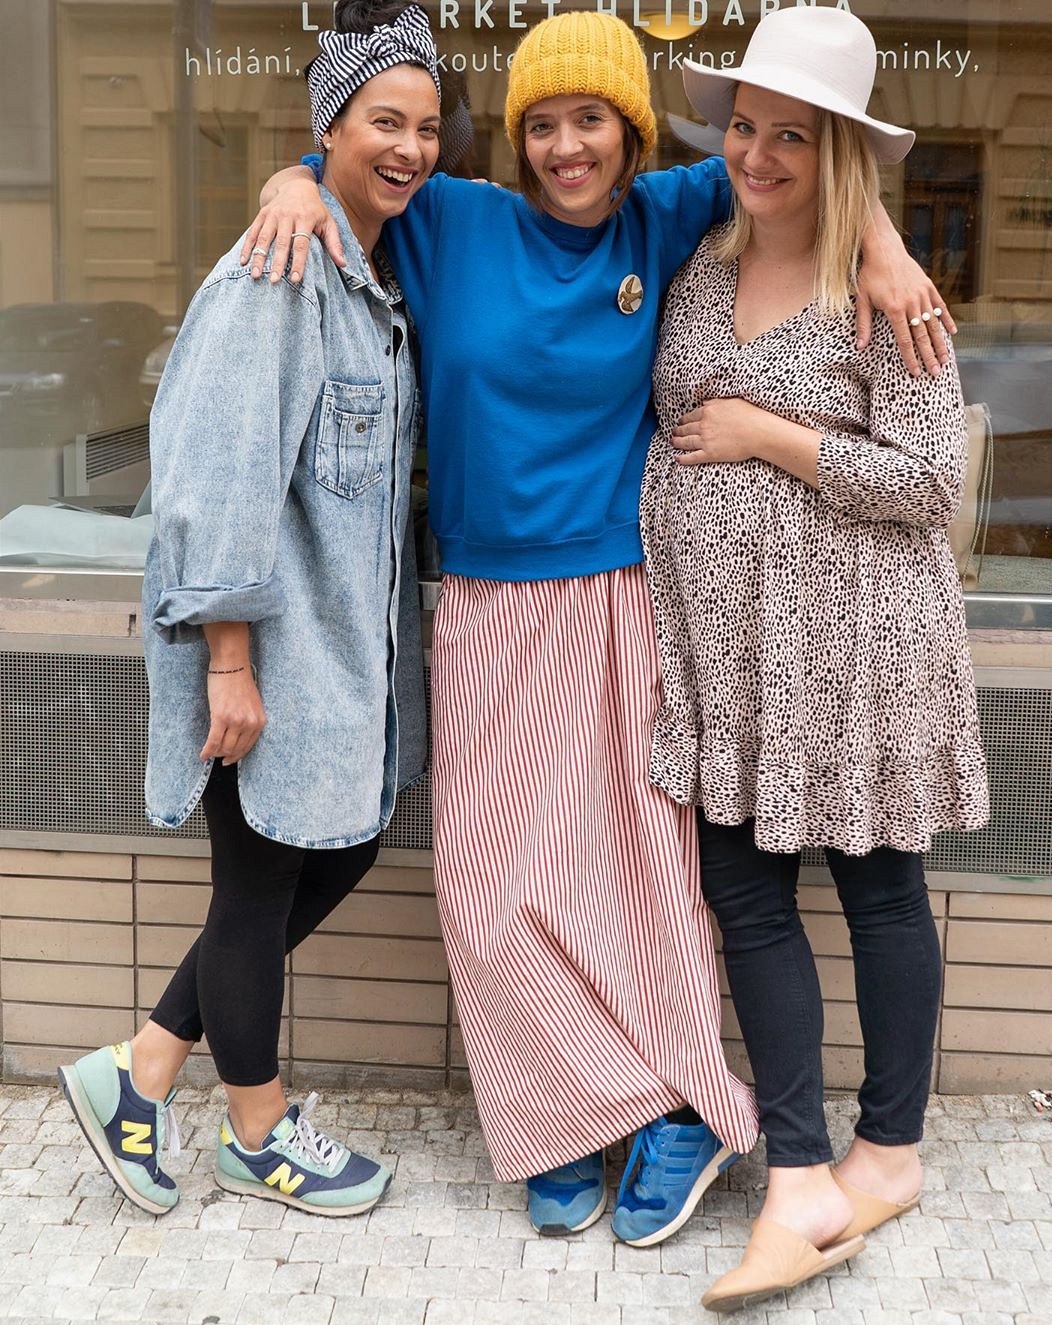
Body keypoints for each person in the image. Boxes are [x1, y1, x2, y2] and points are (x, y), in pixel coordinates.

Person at [245, 7, 953, 1246]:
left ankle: (682, 1107)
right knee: (489, 885)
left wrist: (885, 247)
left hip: (629, 595)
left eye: (591, 120)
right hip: (484, 600)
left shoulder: (664, 215)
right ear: (514, 137)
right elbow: (356, 165)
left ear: (629, 135)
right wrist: (292, 181)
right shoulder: (452, 219)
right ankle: (561, 1116)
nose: (566, 146)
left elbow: (814, 158)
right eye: (541, 123)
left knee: (645, 877)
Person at [57, 1, 440, 1219]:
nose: (409, 147)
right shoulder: (276, 273)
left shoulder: (362, 266)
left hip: (335, 649)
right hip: (268, 649)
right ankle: (257, 1129)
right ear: (327, 127)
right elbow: (213, 477)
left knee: (326, 851)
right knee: (259, 882)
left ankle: (139, 1070)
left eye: (427, 127)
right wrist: (229, 658)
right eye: (384, 121)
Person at [639, 7, 989, 1308]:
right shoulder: (701, 269)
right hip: (735, 665)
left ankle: (887, 1151)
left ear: (838, 152)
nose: (756, 154)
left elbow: (931, 481)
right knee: (745, 900)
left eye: (791, 135)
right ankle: (796, 1171)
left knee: (881, 896)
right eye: (744, 127)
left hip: (857, 655)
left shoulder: (886, 298)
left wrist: (769, 437)